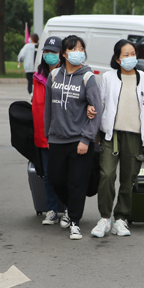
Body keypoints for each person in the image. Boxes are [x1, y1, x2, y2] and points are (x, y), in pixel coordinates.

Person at [92, 39, 144, 238]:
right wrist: (96, 133)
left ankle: (121, 218)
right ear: (118, 59)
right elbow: (100, 104)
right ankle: (104, 217)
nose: (130, 58)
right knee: (107, 175)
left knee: (129, 180)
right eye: (125, 55)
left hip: (135, 135)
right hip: (112, 134)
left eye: (133, 53)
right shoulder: (109, 78)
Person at [44, 35, 103, 240]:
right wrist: (47, 133)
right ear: (64, 53)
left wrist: (86, 139)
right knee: (55, 178)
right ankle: (70, 208)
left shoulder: (88, 77)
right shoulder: (53, 76)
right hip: (57, 139)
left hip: (79, 140)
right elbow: (48, 109)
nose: (78, 52)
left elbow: (97, 109)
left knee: (77, 182)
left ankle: (75, 222)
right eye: (73, 48)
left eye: (81, 48)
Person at [33, 36, 68, 228]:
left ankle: (68, 209)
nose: (49, 56)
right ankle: (52, 210)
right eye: (46, 52)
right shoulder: (38, 76)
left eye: (53, 52)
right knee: (48, 175)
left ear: (62, 55)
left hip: (62, 134)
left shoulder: (66, 76)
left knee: (64, 174)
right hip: (42, 134)